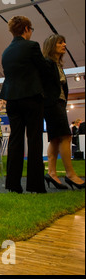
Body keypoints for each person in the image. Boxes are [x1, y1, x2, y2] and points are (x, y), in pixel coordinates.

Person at [0, 16, 48, 194]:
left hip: (11, 99)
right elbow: (43, 68)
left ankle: (12, 184)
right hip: (31, 97)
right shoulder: (32, 46)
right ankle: (35, 185)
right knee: (34, 140)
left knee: (15, 140)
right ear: (27, 29)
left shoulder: (6, 52)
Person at [42, 34, 85, 190]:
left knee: (55, 139)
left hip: (57, 104)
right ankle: (70, 174)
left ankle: (52, 173)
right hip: (53, 104)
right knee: (66, 136)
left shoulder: (56, 64)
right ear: (52, 45)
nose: (64, 44)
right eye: (60, 42)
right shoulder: (47, 63)